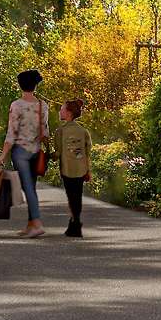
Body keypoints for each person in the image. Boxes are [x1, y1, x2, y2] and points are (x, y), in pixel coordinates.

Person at [0, 69, 50, 238]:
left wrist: (3, 155)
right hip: (36, 151)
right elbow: (46, 133)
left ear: (20, 85)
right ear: (35, 85)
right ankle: (30, 224)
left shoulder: (16, 105)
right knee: (31, 187)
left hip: (21, 152)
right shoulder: (43, 105)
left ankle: (37, 223)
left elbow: (11, 133)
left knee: (28, 188)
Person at [55, 98, 92, 238]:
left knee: (71, 197)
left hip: (67, 169)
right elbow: (87, 152)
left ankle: (75, 223)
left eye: (62, 109)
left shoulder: (60, 131)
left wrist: (46, 152)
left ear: (69, 113)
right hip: (81, 168)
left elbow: (58, 153)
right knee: (77, 196)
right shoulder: (83, 131)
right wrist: (88, 170)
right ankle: (74, 223)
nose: (60, 111)